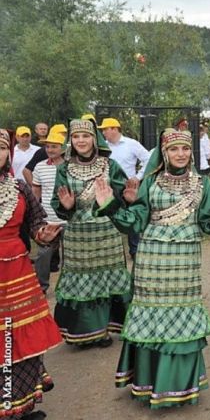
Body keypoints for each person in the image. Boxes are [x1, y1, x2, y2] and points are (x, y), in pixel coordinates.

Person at [94, 128, 210, 409]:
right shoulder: (151, 181)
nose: (180, 154)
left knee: (181, 318)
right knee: (150, 317)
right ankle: (149, 382)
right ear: (164, 153)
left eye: (185, 149)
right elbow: (135, 221)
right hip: (150, 261)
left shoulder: (202, 184)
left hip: (184, 263)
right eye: (173, 149)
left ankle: (177, 384)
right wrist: (110, 205)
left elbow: (207, 224)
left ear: (191, 152)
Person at [51, 118, 132, 348]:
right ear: (71, 140)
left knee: (107, 278)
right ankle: (83, 330)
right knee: (82, 281)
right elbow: (57, 200)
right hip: (77, 235)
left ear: (94, 139)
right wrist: (66, 206)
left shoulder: (110, 165)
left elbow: (122, 195)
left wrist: (122, 199)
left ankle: (104, 328)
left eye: (85, 136)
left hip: (106, 232)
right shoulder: (64, 169)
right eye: (76, 136)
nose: (81, 141)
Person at [1, 128, 63, 420]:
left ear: (8, 154)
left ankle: (23, 405)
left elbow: (37, 223)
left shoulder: (18, 188)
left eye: (1, 148)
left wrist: (45, 235)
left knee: (21, 337)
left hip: (18, 273)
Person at [98, 117, 150, 262]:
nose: (103, 132)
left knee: (131, 218)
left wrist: (138, 177)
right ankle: (110, 250)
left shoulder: (131, 144)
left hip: (128, 188)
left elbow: (148, 159)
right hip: (108, 188)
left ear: (114, 129)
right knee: (108, 217)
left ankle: (134, 250)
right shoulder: (102, 147)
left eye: (105, 129)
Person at [31, 128, 67, 293]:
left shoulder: (70, 166)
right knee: (43, 255)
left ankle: (68, 288)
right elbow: (36, 192)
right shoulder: (39, 167)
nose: (50, 150)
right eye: (48, 147)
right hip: (48, 219)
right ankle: (41, 288)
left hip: (68, 220)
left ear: (63, 148)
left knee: (71, 257)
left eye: (54, 146)